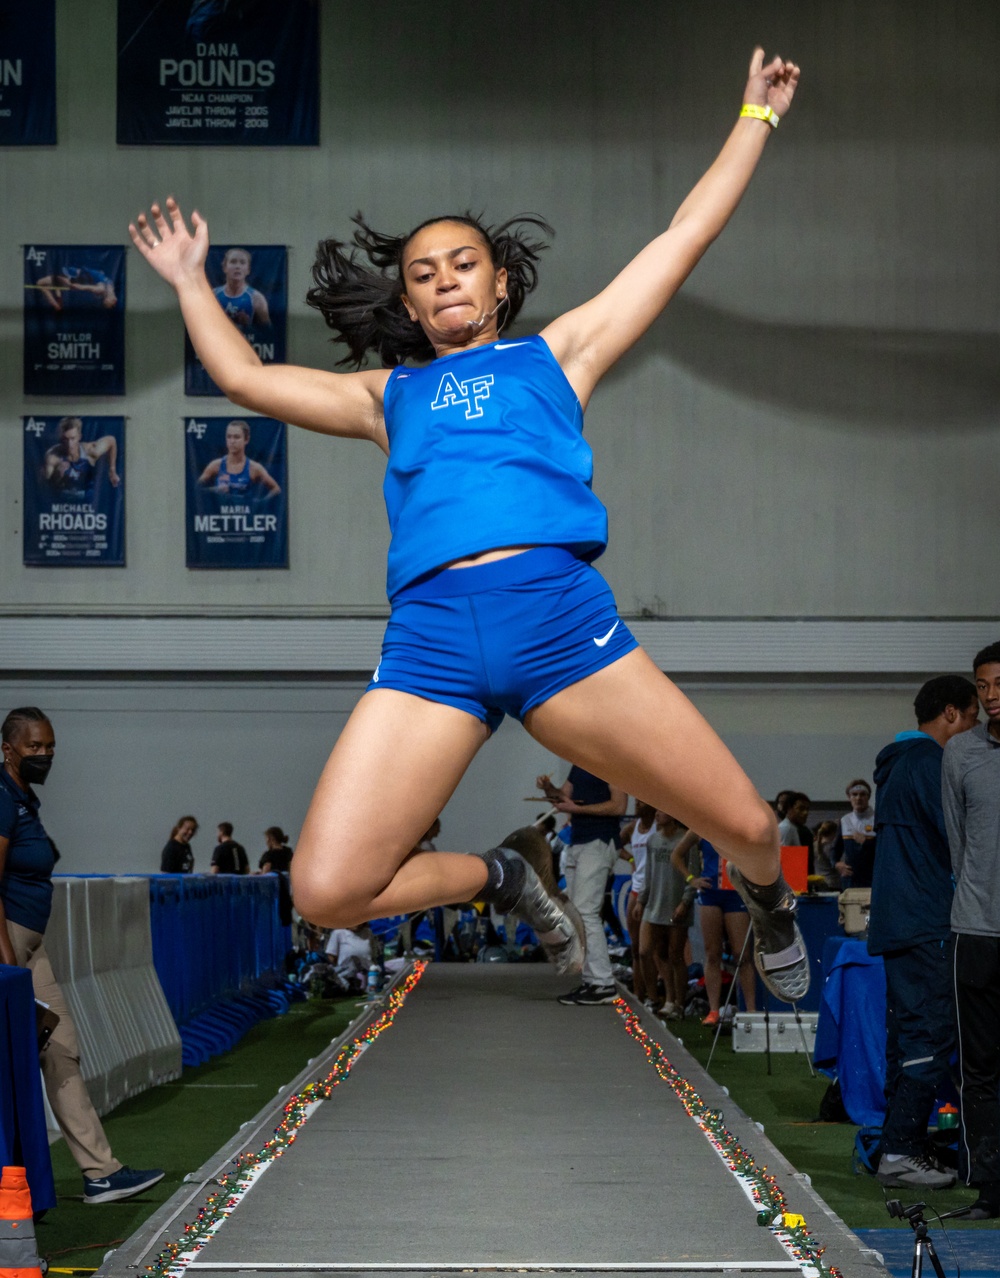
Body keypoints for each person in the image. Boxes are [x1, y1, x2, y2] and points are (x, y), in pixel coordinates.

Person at [129, 48, 809, 1011]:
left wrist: (756, 115)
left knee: (746, 824)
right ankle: (502, 877)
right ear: (408, 303)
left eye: (463, 264)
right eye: (422, 273)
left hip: (562, 626)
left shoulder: (559, 354)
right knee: (325, 891)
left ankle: (769, 898)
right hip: (433, 644)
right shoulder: (386, 394)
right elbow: (246, 382)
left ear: (497, 286)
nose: (445, 280)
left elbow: (683, 235)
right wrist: (191, 278)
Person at [0, 707, 163, 1204]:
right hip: (7, 942)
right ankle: (19, 1183)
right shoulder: (2, 799)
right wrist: (7, 969)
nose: (45, 754)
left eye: (50, 746)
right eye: (34, 747)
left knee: (62, 1045)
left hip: (31, 941)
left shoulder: (24, 800)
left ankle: (100, 1172)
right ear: (8, 749)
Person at [868, 676, 979, 1191]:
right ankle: (900, 1150)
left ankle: (901, 1143)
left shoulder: (896, 763)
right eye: (974, 717)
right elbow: (966, 840)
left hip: (899, 922)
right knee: (930, 1037)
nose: (978, 729)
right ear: (952, 714)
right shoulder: (931, 764)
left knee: (907, 1038)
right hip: (928, 919)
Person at [943, 642, 1000, 1219]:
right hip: (976, 931)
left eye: (999, 683)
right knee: (979, 1069)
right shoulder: (961, 752)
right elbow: (957, 844)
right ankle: (990, 1186)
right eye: (982, 687)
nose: (991, 696)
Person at [538, 766, 627, 1003]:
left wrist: (577, 809)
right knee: (577, 913)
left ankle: (603, 983)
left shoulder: (610, 760)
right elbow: (563, 797)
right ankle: (593, 981)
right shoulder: (579, 763)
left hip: (598, 841)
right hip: (580, 841)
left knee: (586, 912)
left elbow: (619, 805)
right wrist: (549, 789)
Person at [672, 832, 758, 1025]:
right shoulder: (701, 827)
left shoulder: (738, 825)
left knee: (741, 954)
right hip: (710, 893)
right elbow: (676, 855)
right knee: (712, 954)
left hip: (736, 893)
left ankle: (751, 1010)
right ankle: (713, 1010)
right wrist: (691, 879)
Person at [640, 812, 696, 1018]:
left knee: (675, 955)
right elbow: (648, 872)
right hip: (654, 904)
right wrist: (641, 900)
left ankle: (679, 1003)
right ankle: (660, 998)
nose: (656, 814)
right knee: (649, 951)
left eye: (662, 811)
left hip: (676, 904)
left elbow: (693, 872)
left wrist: (685, 901)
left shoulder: (686, 839)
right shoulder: (653, 840)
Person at [620, 800, 655, 1002]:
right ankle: (638, 993)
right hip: (636, 888)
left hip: (654, 890)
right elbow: (615, 844)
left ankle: (655, 994)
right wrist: (631, 859)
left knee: (652, 950)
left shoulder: (658, 826)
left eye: (642, 802)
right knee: (636, 948)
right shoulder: (632, 828)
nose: (637, 805)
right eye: (636, 802)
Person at [198, 419, 281, 501]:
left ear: (246, 439)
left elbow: (276, 489)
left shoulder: (254, 468)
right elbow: (196, 490)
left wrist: (259, 505)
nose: (232, 441)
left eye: (236, 437)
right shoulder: (216, 465)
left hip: (245, 513)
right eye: (229, 437)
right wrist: (215, 490)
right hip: (220, 513)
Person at [43, 417, 120, 497]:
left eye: (73, 439)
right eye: (66, 439)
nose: (70, 444)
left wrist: (112, 470)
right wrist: (58, 475)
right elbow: (43, 486)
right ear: (61, 439)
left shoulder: (90, 451)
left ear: (79, 437)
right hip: (63, 501)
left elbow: (111, 440)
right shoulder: (53, 456)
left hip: (87, 501)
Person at [213, 247, 271, 331]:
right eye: (233, 262)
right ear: (225, 267)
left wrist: (247, 326)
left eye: (242, 263)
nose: (237, 266)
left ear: (248, 270)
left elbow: (268, 334)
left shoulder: (256, 298)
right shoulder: (213, 295)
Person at [835, 777, 876, 885]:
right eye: (854, 794)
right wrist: (836, 863)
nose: (858, 798)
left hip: (873, 878)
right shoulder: (844, 820)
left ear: (868, 797)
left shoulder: (877, 820)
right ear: (849, 797)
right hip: (850, 879)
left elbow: (886, 849)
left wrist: (866, 843)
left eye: (862, 794)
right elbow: (835, 850)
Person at [259, 825, 294, 927]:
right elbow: (291, 868)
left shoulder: (269, 855)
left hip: (273, 893)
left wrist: (259, 874)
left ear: (271, 839)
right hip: (286, 890)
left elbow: (266, 870)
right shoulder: (288, 852)